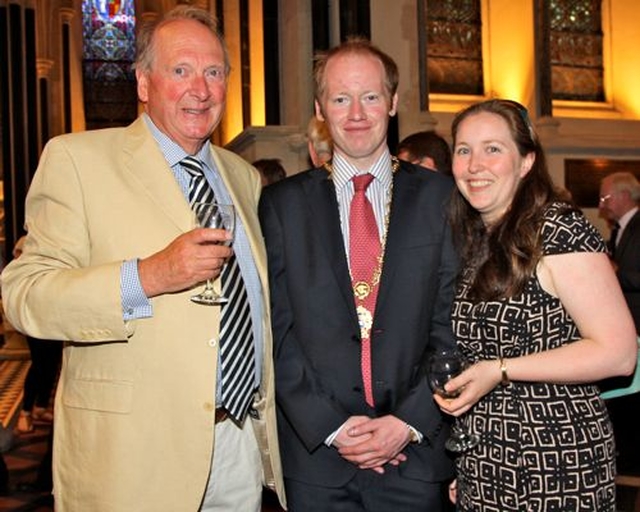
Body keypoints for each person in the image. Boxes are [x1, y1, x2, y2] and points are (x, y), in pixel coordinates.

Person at [1, 6, 284, 512]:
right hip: (134, 458)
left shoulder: (242, 176)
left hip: (238, 446)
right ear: (143, 83)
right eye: (181, 70)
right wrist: (148, 276)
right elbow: (25, 296)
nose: (200, 88)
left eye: (213, 72)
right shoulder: (76, 160)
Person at [259, 37, 458, 511]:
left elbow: (456, 320)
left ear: (392, 103)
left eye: (370, 96)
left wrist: (406, 422)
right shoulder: (282, 205)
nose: (356, 113)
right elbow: (273, 328)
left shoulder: (443, 199)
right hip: (317, 462)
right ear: (320, 108)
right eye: (340, 98)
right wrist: (331, 426)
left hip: (417, 453)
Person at [435, 99, 638, 511]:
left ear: (526, 161)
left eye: (493, 148)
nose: (475, 164)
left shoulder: (558, 228)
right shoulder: (475, 239)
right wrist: (467, 462)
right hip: (486, 458)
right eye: (463, 150)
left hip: (555, 457)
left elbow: (619, 353)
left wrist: (502, 370)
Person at [11, 236, 63, 435]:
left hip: (55, 315)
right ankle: (25, 412)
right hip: (36, 315)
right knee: (39, 364)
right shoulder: (26, 242)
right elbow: (21, 276)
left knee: (52, 363)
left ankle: (40, 407)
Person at [599, 172, 640, 333]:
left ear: (624, 196)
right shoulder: (618, 228)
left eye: (605, 198)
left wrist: (616, 272)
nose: (601, 205)